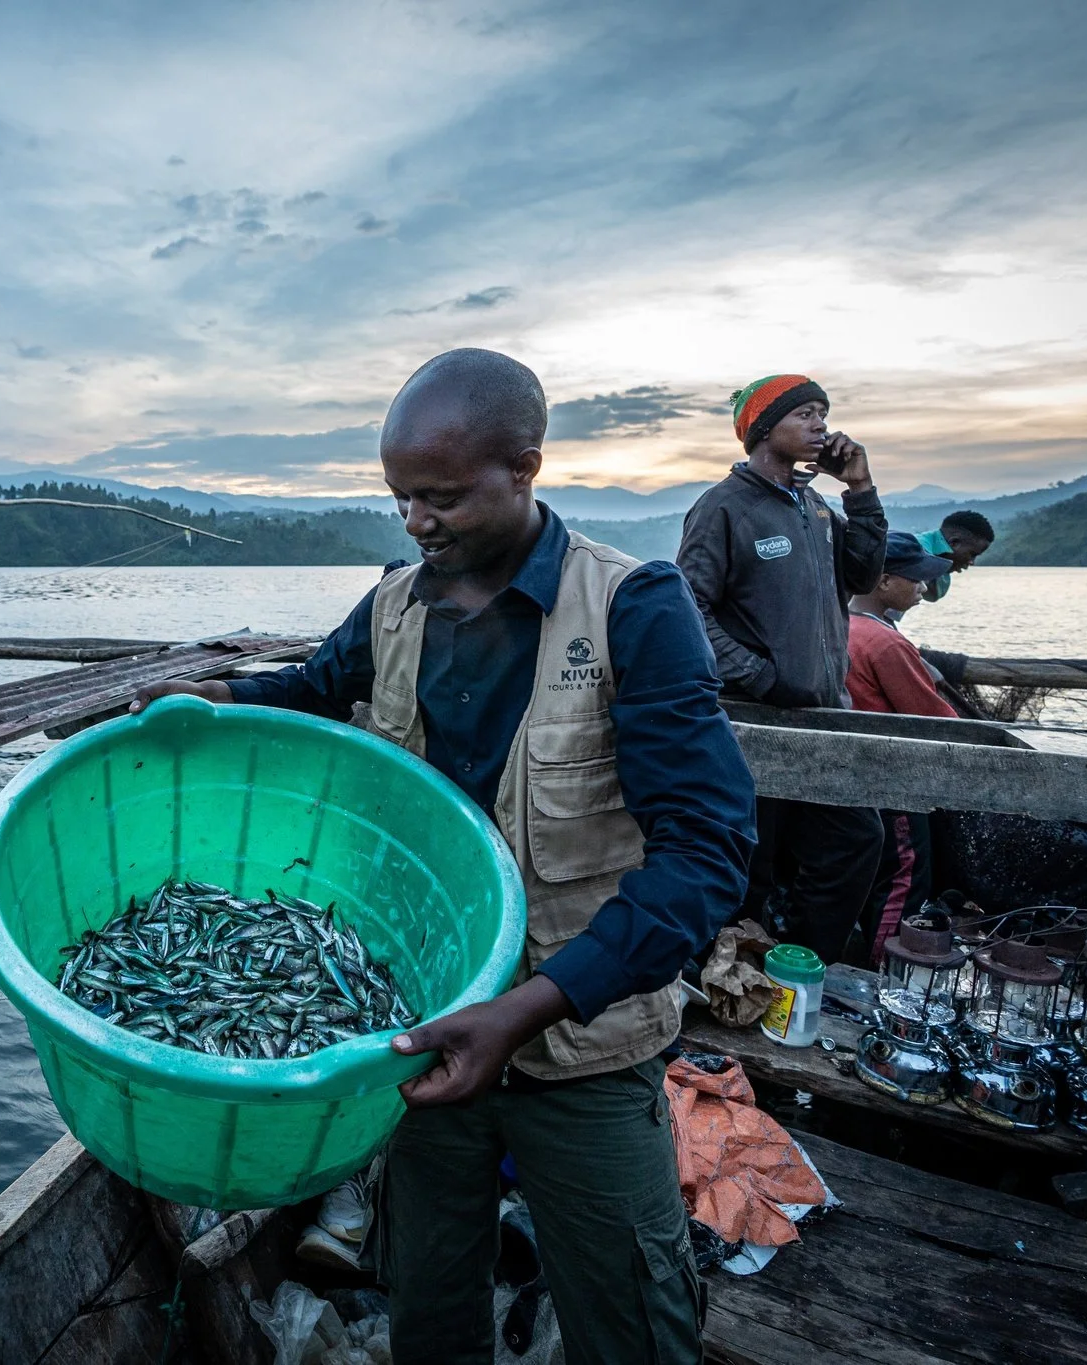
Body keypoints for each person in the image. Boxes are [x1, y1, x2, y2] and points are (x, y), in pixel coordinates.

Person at [131, 349, 755, 1365]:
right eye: (400, 500)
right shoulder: (393, 606)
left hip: (577, 1046)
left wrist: (524, 1009)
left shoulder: (632, 608)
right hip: (418, 1021)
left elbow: (705, 854)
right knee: (426, 1293)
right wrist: (209, 706)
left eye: (443, 498)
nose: (417, 523)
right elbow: (312, 686)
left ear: (524, 468)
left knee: (631, 1316)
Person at [675, 374, 888, 963]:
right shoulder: (724, 506)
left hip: (824, 716)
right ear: (765, 429)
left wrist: (861, 490)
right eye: (808, 415)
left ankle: (798, 966)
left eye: (824, 414)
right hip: (753, 719)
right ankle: (727, 982)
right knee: (752, 862)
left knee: (854, 843)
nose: (822, 426)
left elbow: (865, 577)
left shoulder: (815, 506)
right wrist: (759, 675)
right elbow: (687, 608)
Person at [846, 532, 959, 957]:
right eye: (916, 579)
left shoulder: (840, 624)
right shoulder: (886, 643)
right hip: (892, 781)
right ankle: (885, 968)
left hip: (849, 777)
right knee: (903, 878)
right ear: (884, 581)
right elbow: (937, 720)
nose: (924, 588)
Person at [914, 510, 995, 603]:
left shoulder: (937, 561)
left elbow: (933, 594)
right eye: (972, 554)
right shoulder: (915, 552)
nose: (972, 562)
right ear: (954, 542)